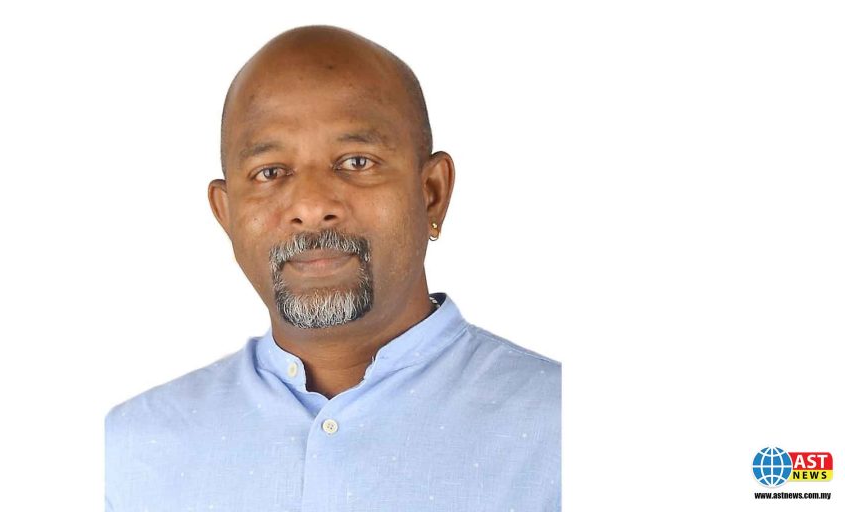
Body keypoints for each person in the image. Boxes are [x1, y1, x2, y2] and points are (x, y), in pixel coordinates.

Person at [105, 25, 560, 511]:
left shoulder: (562, 431)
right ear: (227, 213)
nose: (311, 206)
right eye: (270, 172)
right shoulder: (129, 453)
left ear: (432, 193)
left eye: (356, 162)